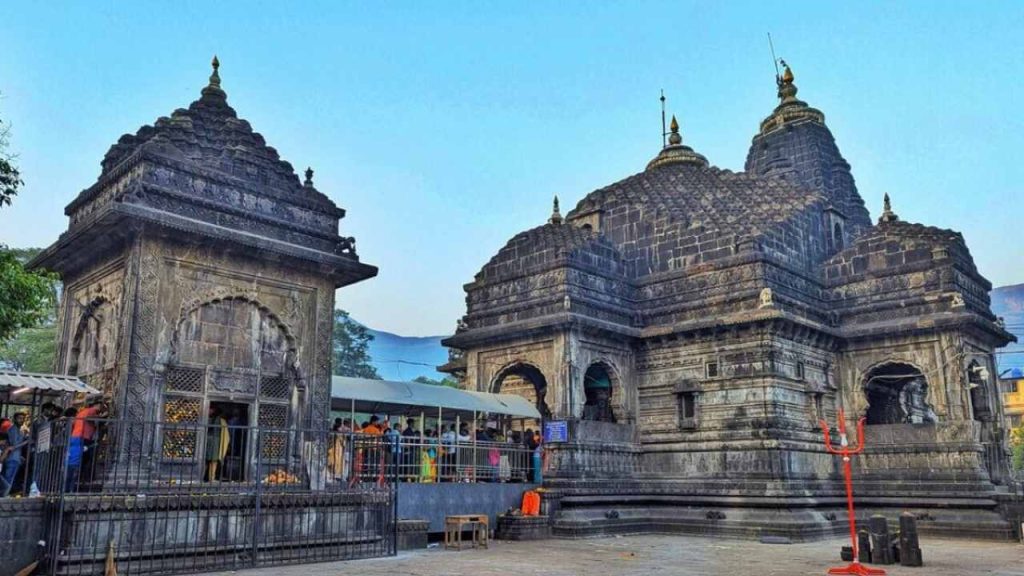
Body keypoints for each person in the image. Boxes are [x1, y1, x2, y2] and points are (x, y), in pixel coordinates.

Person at [2, 413, 30, 496]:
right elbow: (14, 445)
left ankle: (5, 494)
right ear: (15, 419)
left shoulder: (19, 430)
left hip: (16, 457)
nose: (21, 420)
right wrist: (25, 441)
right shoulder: (13, 429)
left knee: (10, 478)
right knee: (8, 479)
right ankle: (3, 495)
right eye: (19, 418)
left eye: (23, 419)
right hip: (12, 458)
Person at [205, 407, 229, 482]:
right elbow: (226, 435)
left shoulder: (207, 419)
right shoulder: (222, 421)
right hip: (215, 442)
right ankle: (211, 478)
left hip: (206, 441)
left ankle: (200, 477)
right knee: (213, 461)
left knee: (206, 460)